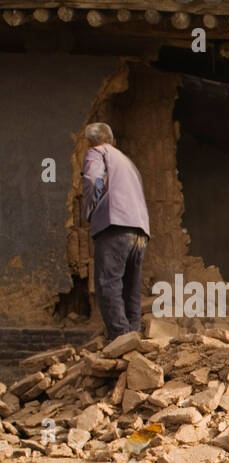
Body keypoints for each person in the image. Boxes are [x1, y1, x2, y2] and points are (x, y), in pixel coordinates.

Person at [81, 123, 150, 342]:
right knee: (131, 286)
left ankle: (120, 338)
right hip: (139, 228)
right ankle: (133, 334)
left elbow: (93, 180)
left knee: (107, 283)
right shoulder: (126, 161)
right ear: (112, 140)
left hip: (114, 224)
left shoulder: (96, 152)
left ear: (90, 141)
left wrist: (90, 210)